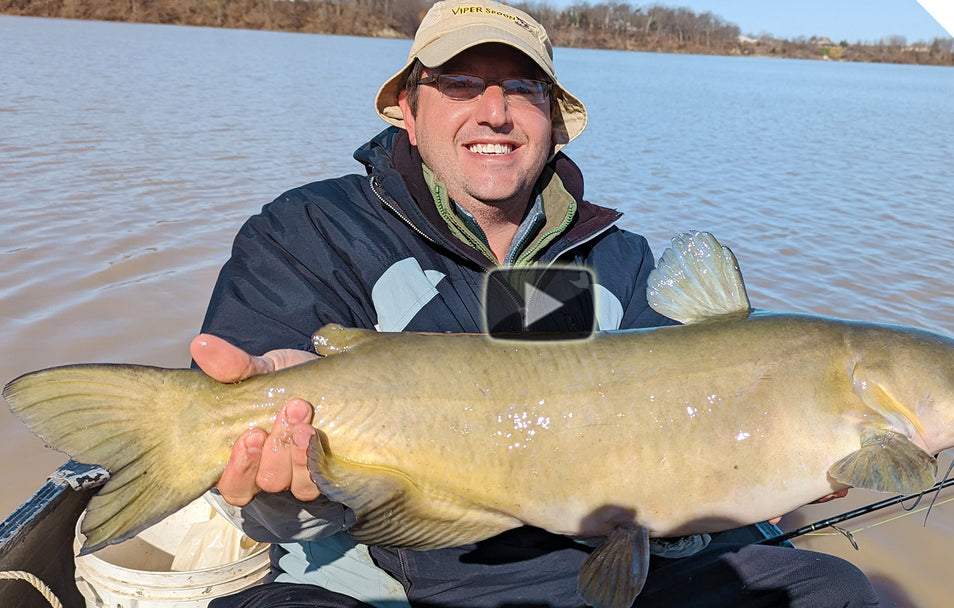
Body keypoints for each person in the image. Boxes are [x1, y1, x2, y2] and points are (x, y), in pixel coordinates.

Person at [191, 1, 879, 606]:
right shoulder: (309, 229)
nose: (495, 110)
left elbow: (682, 460)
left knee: (834, 592)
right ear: (407, 108)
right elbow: (253, 476)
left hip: (590, 561)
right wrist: (266, 411)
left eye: (522, 89)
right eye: (460, 84)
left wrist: (767, 467)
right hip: (390, 568)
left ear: (553, 119)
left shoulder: (621, 261)